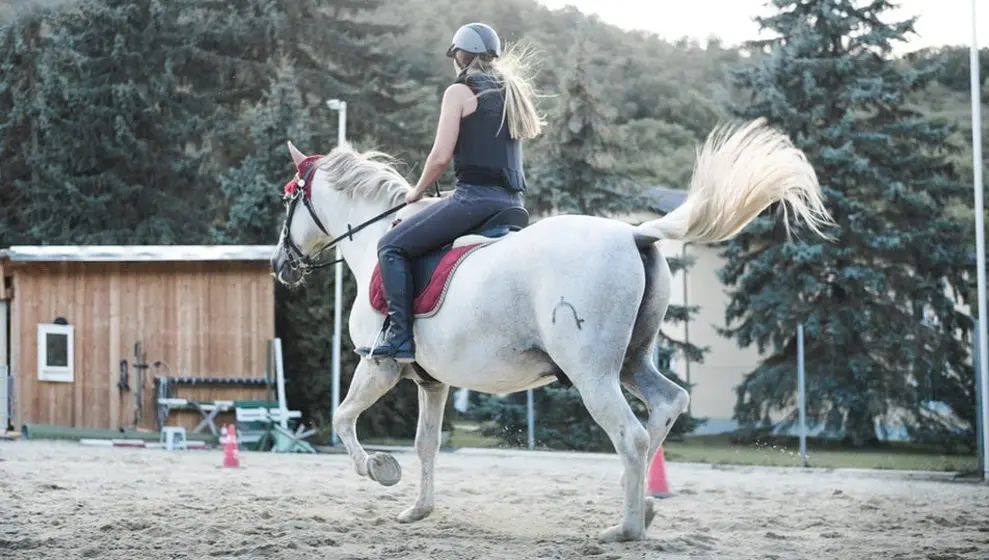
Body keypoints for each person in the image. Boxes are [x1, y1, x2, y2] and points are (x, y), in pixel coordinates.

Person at [364, 22, 545, 363]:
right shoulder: (510, 92)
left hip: (476, 201)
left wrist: (416, 192)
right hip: (512, 204)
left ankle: (401, 338)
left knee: (390, 246)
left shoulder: (460, 91)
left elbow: (440, 157)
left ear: (460, 56)